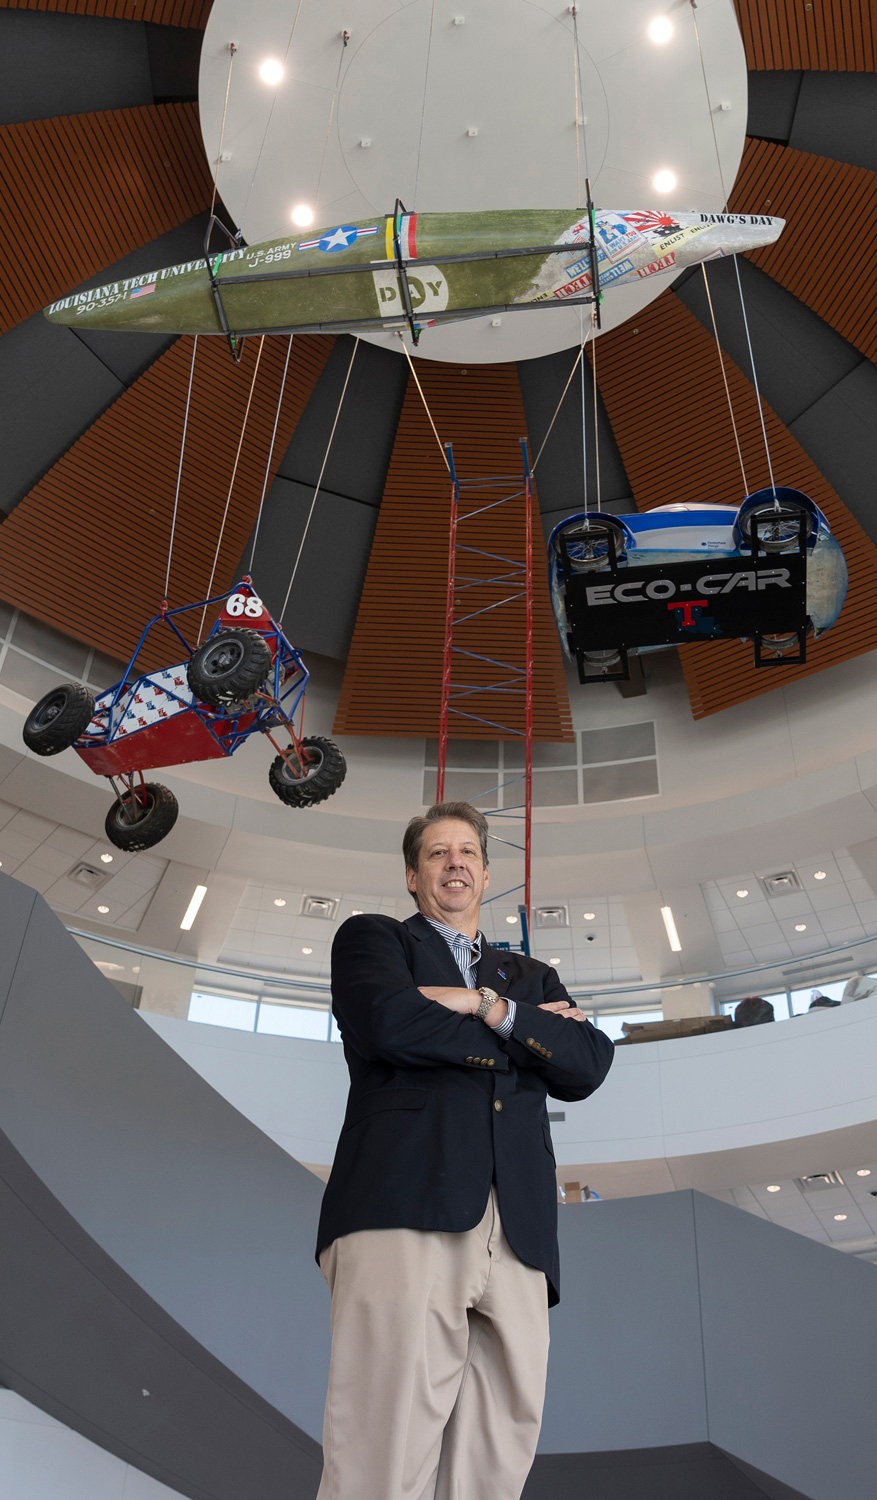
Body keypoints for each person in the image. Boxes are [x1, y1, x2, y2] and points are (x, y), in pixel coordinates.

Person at [315, 800, 615, 1500]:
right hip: (405, 1203)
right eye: (437, 853)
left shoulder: (528, 977)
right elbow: (389, 1024)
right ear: (414, 877)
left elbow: (587, 1064)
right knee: (381, 1448)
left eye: (468, 853)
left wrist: (482, 1005)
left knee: (497, 1454)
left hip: (519, 1230)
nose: (455, 862)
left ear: (485, 874)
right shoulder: (373, 938)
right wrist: (525, 1039)